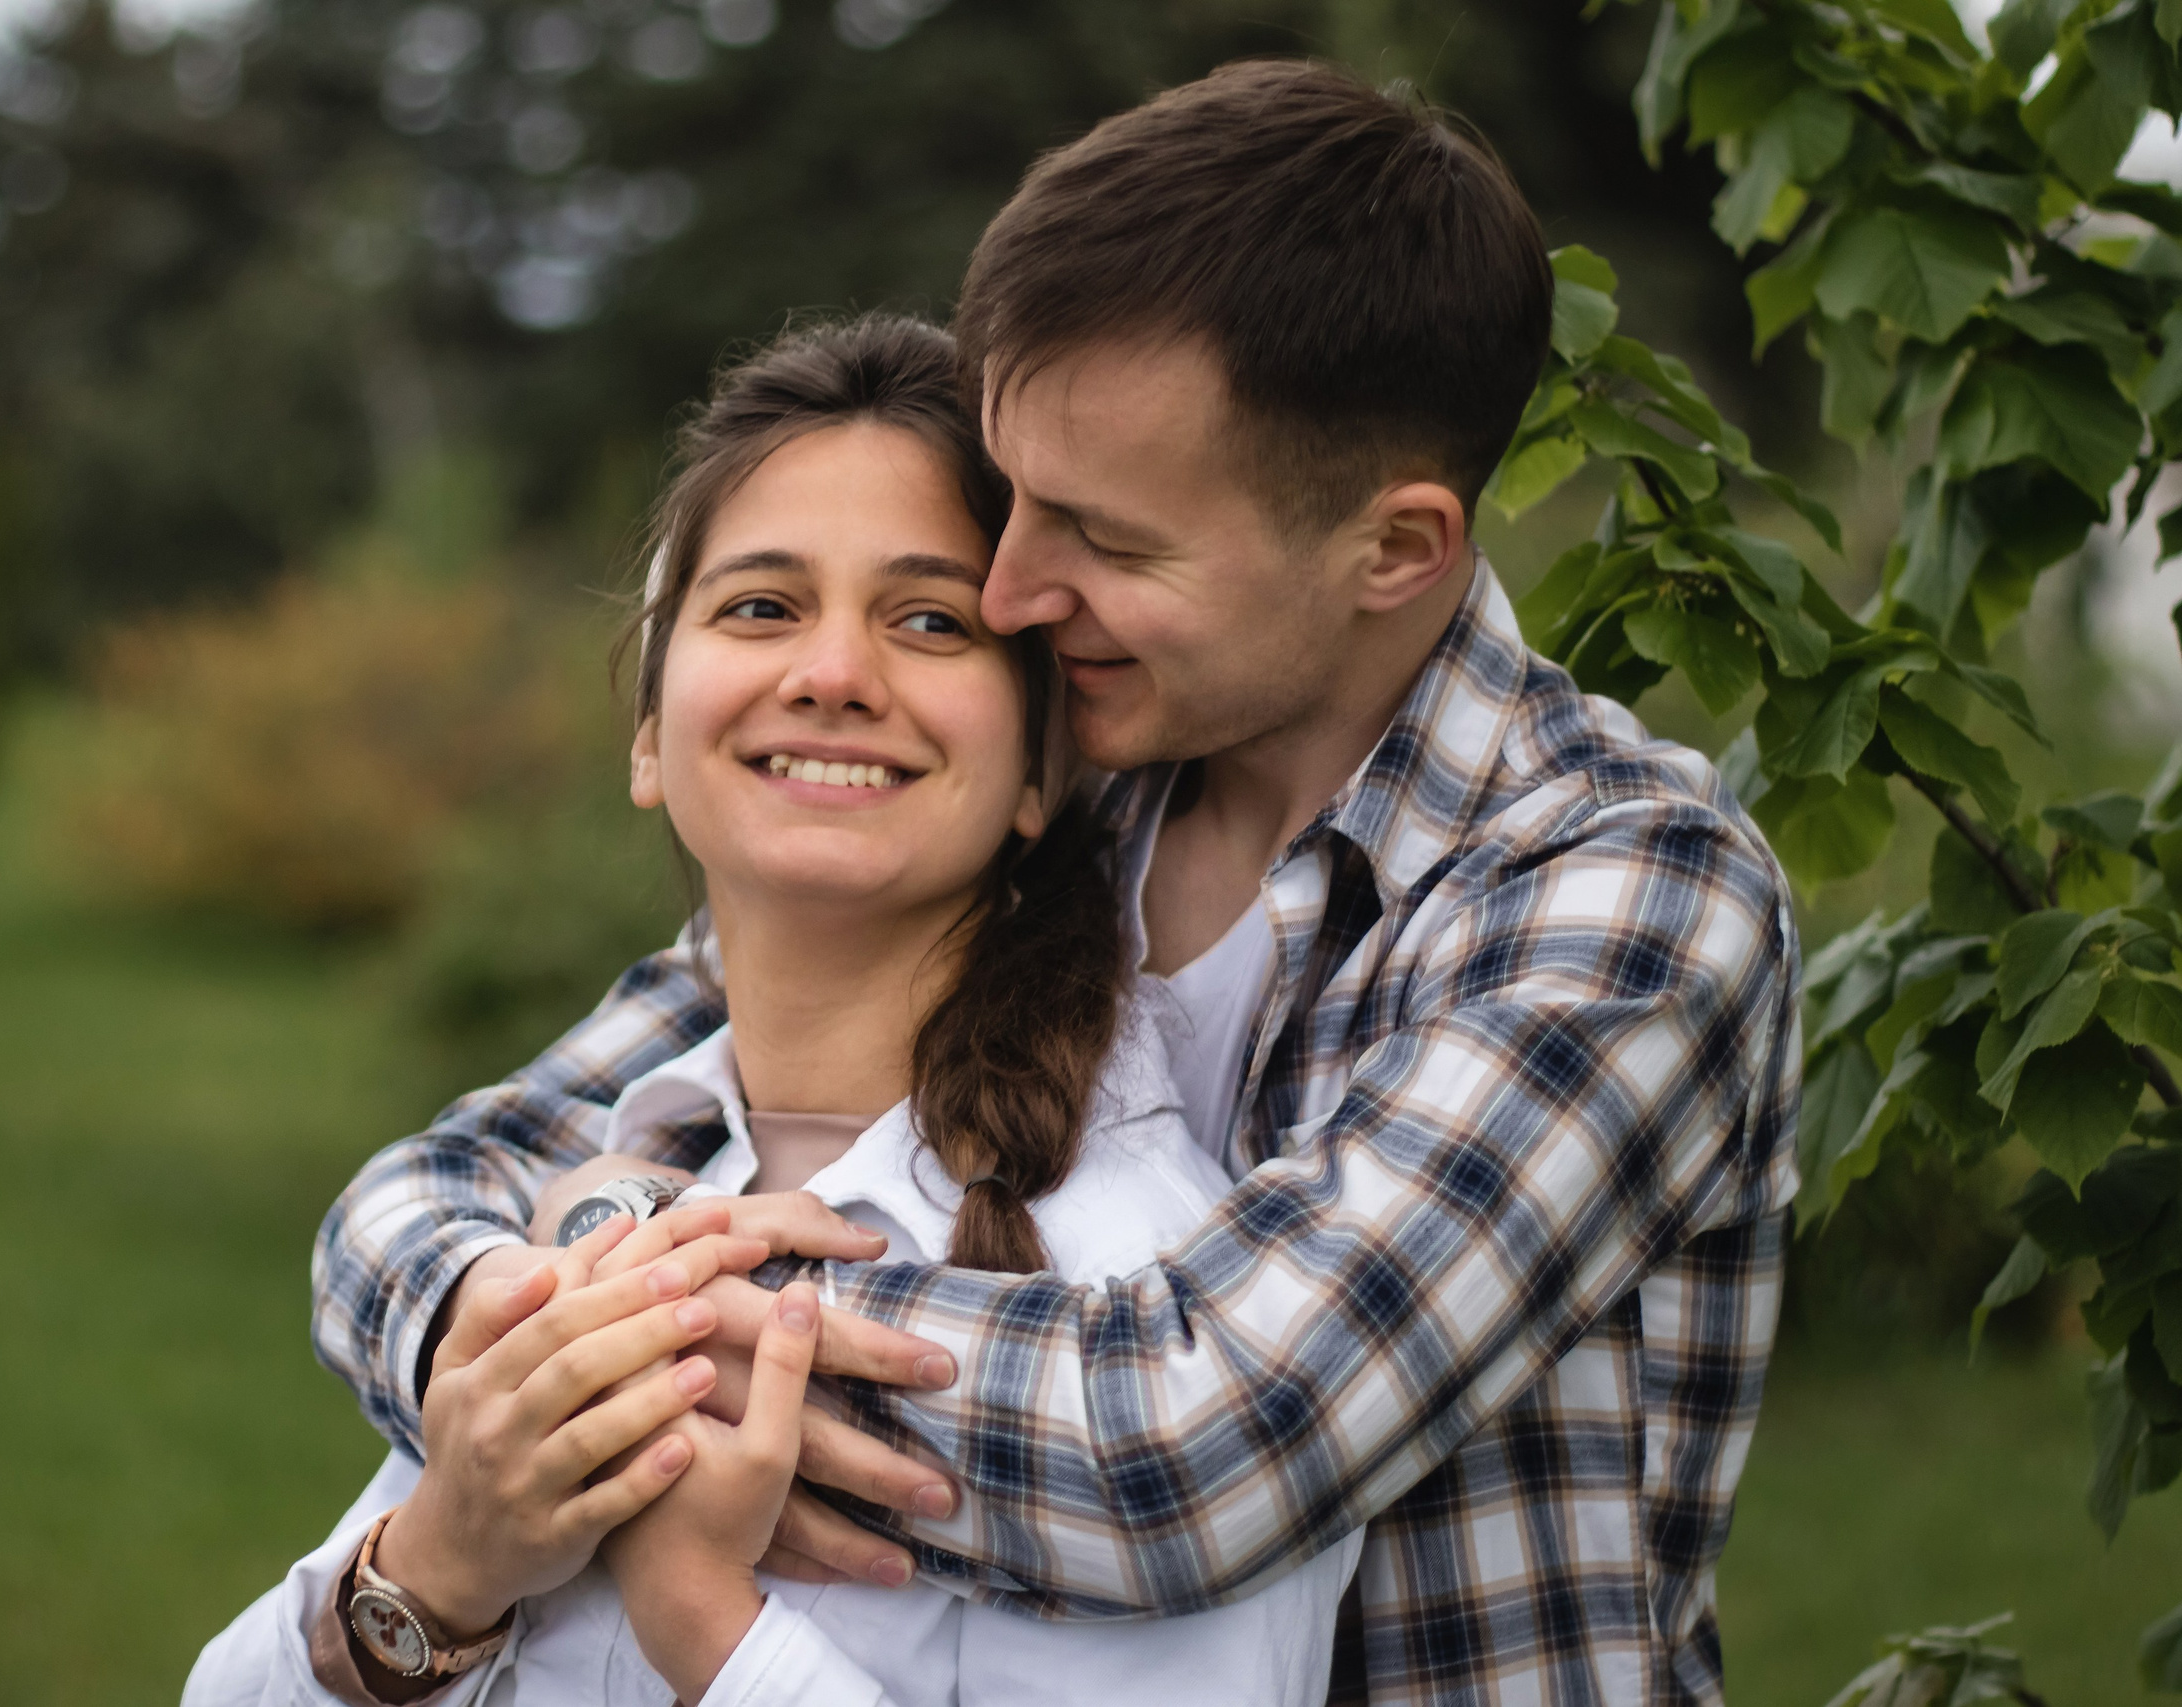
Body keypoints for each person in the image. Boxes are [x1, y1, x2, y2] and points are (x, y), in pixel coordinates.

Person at [312, 59, 1801, 1707]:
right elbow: (429, 1198)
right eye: (1017, 497)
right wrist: (515, 1341)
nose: (1014, 588)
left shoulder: (1623, 896)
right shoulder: (1071, 779)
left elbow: (1196, 1443)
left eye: (1108, 539)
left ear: (1397, 549)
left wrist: (631, 1366)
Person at [187, 314, 1362, 1707]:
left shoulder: (1128, 1275)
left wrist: (709, 1628)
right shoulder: (600, 1192)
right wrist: (443, 1562)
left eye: (929, 621)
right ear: (648, 732)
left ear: (1042, 770)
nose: (833, 674)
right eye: (760, 606)